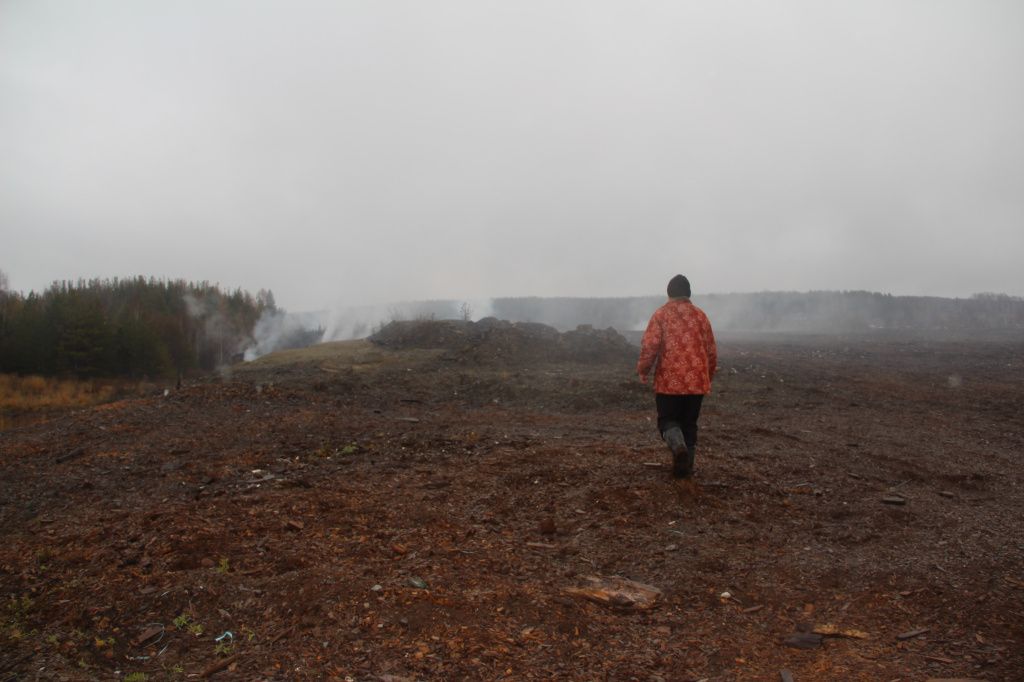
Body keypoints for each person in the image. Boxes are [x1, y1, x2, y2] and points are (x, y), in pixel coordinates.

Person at [637, 275, 717, 478]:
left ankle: (678, 447)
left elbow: (650, 345)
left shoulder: (661, 315)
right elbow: (711, 350)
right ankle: (685, 471)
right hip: (696, 383)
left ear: (669, 292)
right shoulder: (701, 316)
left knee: (667, 421)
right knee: (689, 425)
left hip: (669, 383)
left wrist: (643, 369)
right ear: (689, 293)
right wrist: (707, 376)